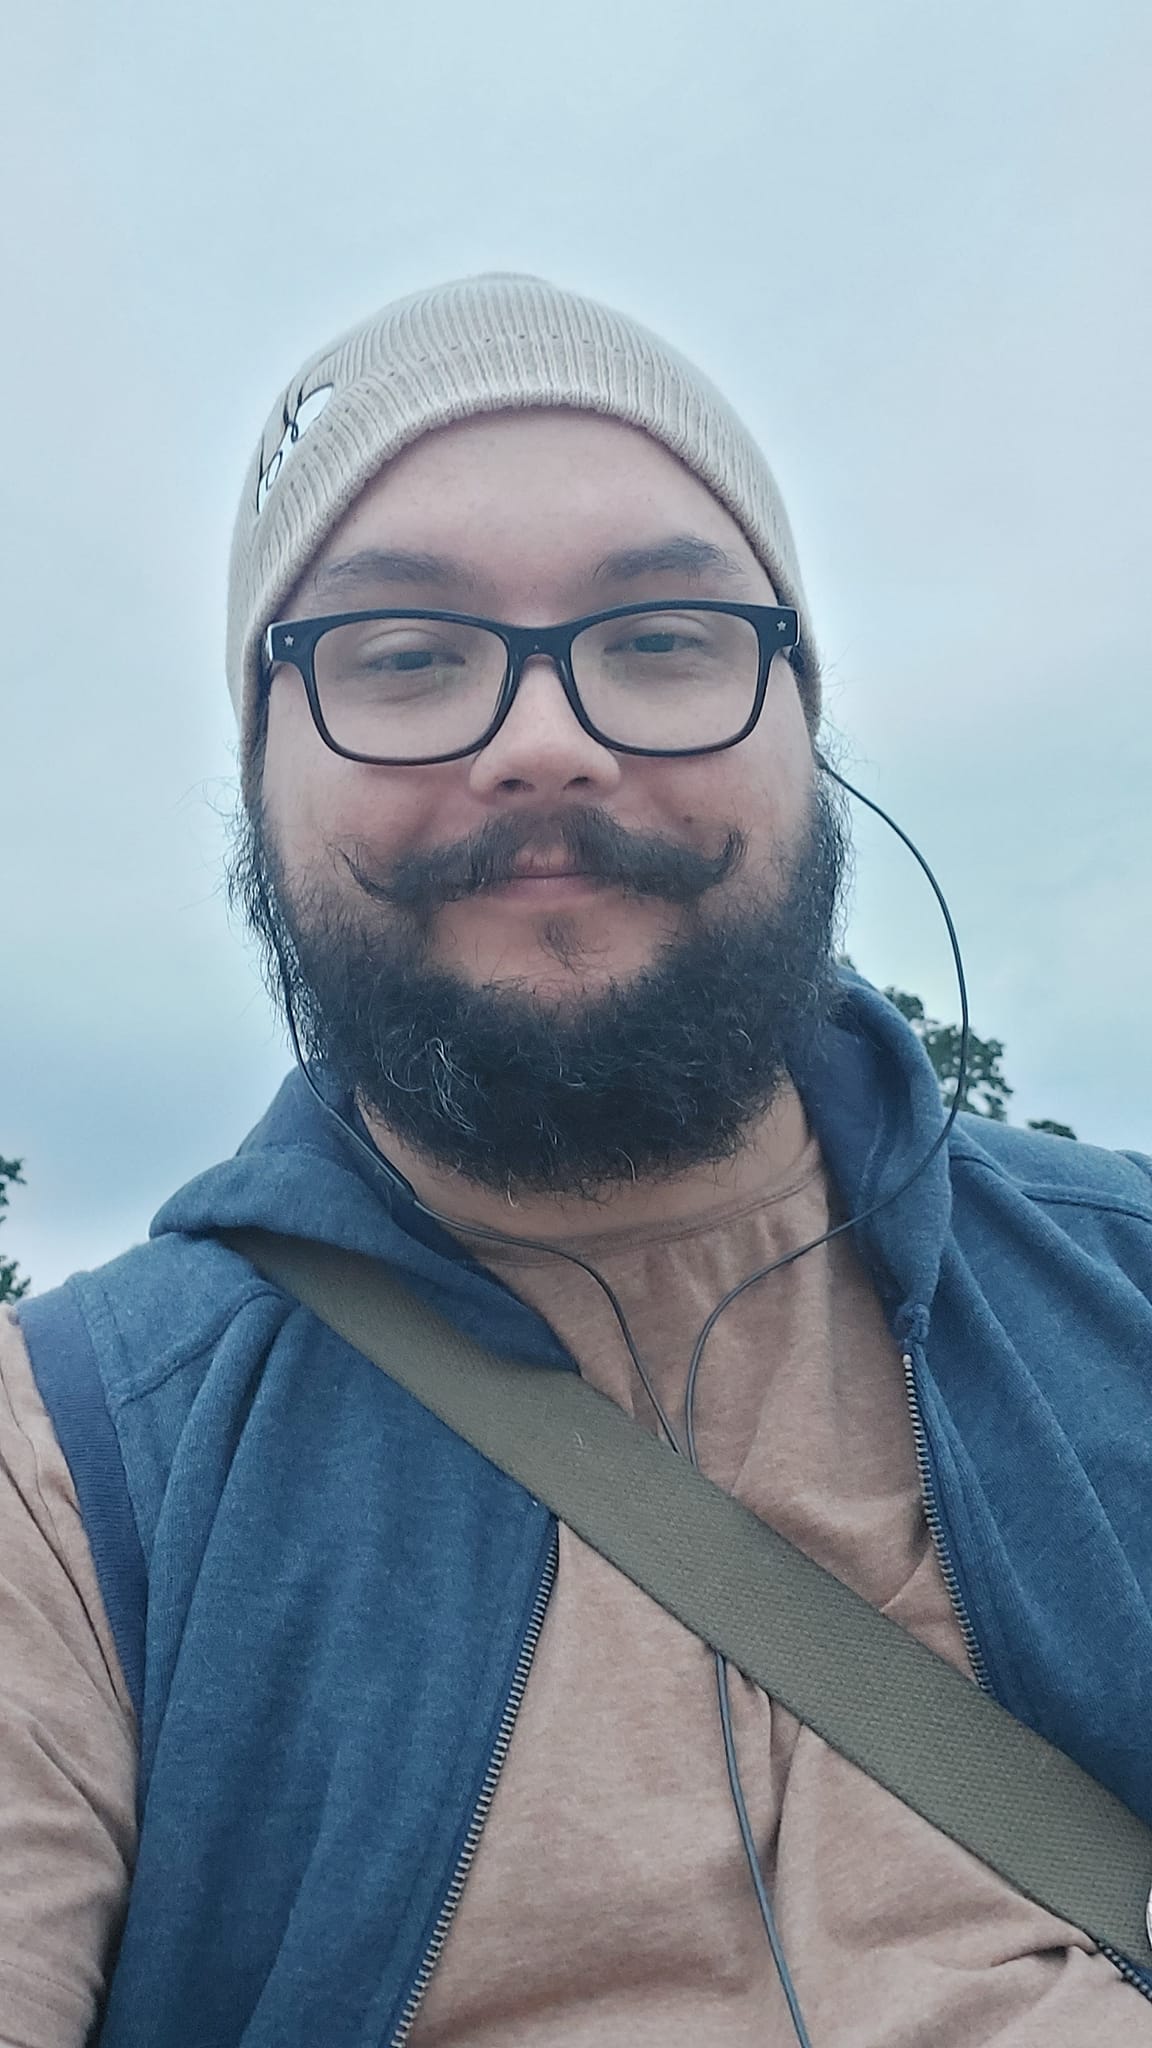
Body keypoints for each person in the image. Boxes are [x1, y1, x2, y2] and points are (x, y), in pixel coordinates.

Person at [3, 274, 1151, 2048]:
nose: (548, 738)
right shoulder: (64, 1478)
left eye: (665, 635)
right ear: (262, 772)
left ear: (803, 721)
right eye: (403, 659)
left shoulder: (1131, 1288)